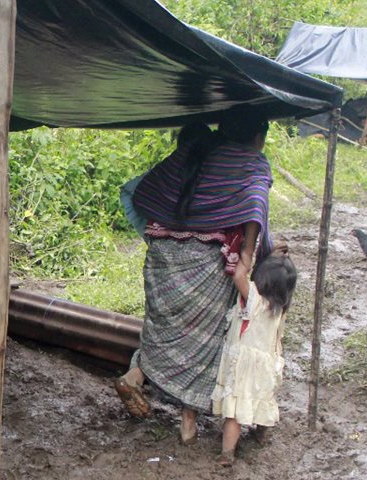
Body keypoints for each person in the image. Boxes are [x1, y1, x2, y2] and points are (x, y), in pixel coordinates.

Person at [113, 106, 277, 445]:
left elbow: (146, 191)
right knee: (203, 342)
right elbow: (254, 207)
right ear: (258, 136)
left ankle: (134, 374)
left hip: (163, 259)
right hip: (205, 265)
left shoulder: (197, 148)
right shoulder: (251, 162)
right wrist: (248, 254)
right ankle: (188, 424)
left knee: (163, 330)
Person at [212, 253, 297, 466]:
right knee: (263, 400)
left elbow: (239, 274)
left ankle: (227, 454)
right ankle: (261, 434)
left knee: (235, 411)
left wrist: (246, 253)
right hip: (268, 365)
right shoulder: (279, 309)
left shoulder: (253, 300)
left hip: (243, 366)